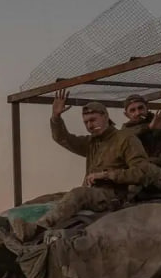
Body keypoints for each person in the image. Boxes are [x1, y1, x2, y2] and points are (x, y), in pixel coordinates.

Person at [31, 89, 154, 231]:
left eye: (93, 120)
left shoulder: (125, 139)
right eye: (86, 122)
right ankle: (13, 223)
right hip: (92, 194)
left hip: (113, 197)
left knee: (78, 194)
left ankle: (38, 229)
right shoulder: (92, 142)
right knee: (48, 199)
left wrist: (107, 174)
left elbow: (142, 172)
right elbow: (64, 139)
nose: (89, 125)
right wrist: (56, 117)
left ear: (105, 117)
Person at [120, 94, 161, 194]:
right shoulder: (126, 130)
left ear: (147, 107)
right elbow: (122, 138)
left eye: (140, 108)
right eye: (132, 110)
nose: (137, 112)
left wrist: (139, 165)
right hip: (137, 174)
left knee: (131, 188)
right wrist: (149, 128)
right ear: (126, 114)